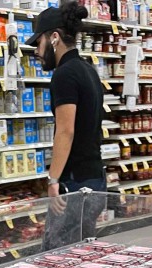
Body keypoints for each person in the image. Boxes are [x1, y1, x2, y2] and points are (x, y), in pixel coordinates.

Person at [27, 2, 106, 249]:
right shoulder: (88, 70)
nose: (36, 52)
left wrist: (53, 181)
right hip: (94, 178)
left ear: (54, 37)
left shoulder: (65, 74)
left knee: (55, 258)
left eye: (38, 43)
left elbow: (65, 131)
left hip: (74, 183)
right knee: (81, 257)